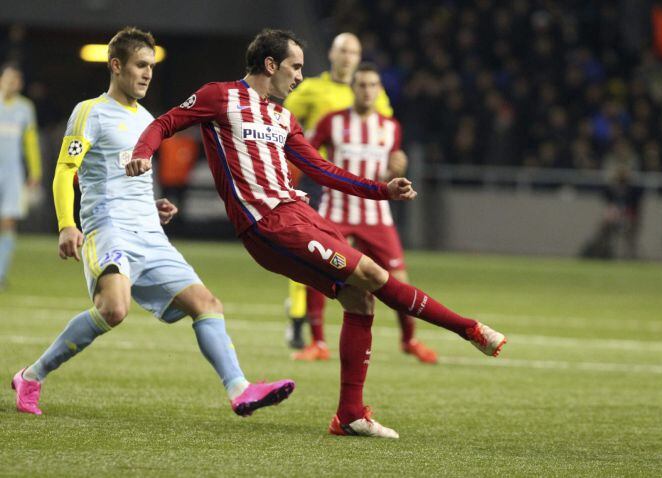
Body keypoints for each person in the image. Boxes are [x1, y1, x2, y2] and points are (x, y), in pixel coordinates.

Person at [126, 28, 506, 439]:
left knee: (360, 300)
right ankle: (468, 328)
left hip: (301, 214)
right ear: (270, 65)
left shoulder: (283, 118)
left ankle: (350, 415)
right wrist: (143, 153)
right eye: (295, 66)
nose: (300, 76)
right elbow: (165, 123)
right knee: (375, 276)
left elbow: (323, 169)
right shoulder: (220, 96)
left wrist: (381, 190)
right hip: (269, 224)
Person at [11, 27, 294, 417]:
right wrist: (65, 224)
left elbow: (131, 176)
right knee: (113, 309)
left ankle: (240, 390)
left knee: (207, 304)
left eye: (151, 66)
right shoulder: (89, 112)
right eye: (140, 65)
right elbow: (64, 171)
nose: (147, 74)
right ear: (116, 66)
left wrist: (153, 204)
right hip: (108, 229)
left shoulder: (147, 119)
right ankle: (31, 375)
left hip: (149, 233)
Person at [292, 63, 437, 364]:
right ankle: (318, 342)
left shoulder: (390, 127)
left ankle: (410, 340)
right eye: (362, 85)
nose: (367, 90)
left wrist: (397, 167)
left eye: (373, 85)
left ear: (379, 90)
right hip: (336, 211)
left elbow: (389, 167)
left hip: (376, 216)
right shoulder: (331, 121)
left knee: (398, 277)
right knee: (317, 272)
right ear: (353, 88)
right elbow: (304, 152)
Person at [282, 32, 392, 350]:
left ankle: (357, 316)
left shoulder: (373, 93)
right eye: (342, 51)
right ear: (332, 54)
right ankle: (299, 320)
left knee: (356, 259)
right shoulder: (313, 89)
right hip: (319, 182)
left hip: (358, 184)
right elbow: (284, 121)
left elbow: (384, 128)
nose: (347, 57)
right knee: (307, 250)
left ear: (358, 58)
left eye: (353, 52)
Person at [0, 62, 41, 290]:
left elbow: (30, 141)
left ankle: (1, 274)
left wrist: (35, 171)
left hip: (12, 173)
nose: (12, 84)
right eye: (9, 79)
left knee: (7, 223)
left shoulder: (25, 108)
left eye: (16, 80)